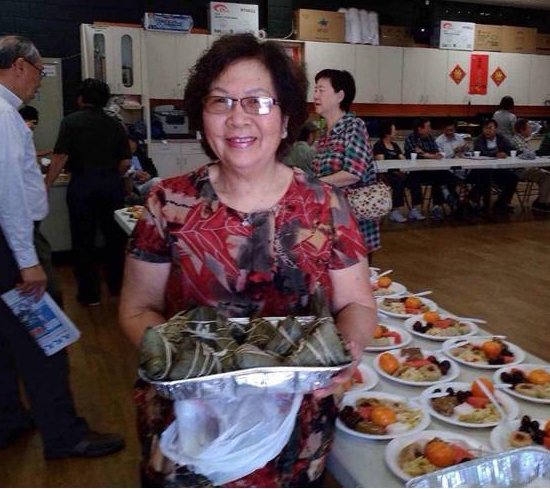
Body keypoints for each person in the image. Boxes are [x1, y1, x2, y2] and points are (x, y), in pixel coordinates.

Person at [119, 33, 377, 487]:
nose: (238, 117)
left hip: (295, 430)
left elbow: (356, 304)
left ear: (286, 117)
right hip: (192, 429)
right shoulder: (169, 202)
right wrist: (193, 370)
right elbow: (137, 308)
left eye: (258, 101)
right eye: (220, 101)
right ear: (201, 115)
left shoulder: (326, 205)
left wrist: (346, 353)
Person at [0, 35, 123, 459]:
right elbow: (7, 194)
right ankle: (64, 434)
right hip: (9, 241)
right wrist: (27, 260)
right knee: (43, 337)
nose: (39, 82)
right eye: (38, 72)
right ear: (19, 65)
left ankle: (4, 419)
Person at [45, 79, 132, 306]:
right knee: (114, 239)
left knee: (83, 241)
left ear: (81, 98)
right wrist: (110, 175)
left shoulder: (71, 121)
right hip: (111, 186)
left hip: (82, 186)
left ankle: (89, 295)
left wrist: (46, 184)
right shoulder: (116, 124)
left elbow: (60, 156)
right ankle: (116, 287)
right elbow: (125, 162)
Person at [312, 69, 380, 254]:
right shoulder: (324, 133)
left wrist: (313, 184)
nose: (315, 95)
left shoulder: (354, 126)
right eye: (315, 89)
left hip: (352, 223)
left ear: (340, 96)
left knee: (352, 269)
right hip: (329, 219)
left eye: (321, 90)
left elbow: (352, 174)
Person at [403, 117, 458, 220]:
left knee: (447, 175)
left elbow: (435, 152)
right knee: (425, 178)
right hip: (416, 171)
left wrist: (426, 153)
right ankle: (445, 197)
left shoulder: (430, 138)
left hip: (431, 170)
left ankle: (440, 205)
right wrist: (429, 155)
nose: (430, 129)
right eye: (428, 127)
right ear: (420, 129)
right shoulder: (410, 138)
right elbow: (416, 154)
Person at [373, 122, 426, 222]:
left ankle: (414, 209)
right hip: (385, 175)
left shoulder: (395, 145)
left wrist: (404, 168)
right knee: (398, 182)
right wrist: (396, 171)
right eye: (394, 130)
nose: (396, 131)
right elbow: (382, 165)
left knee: (415, 179)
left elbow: (403, 160)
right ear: (387, 132)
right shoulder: (379, 145)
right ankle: (394, 211)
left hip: (399, 173)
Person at [470, 119, 518, 213]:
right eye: (485, 128)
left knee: (513, 178)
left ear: (496, 129)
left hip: (498, 169)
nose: (487, 131)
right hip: (482, 170)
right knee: (485, 177)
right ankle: (480, 203)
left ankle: (501, 203)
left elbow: (511, 149)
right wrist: (496, 154)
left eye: (490, 128)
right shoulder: (479, 139)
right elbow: (482, 152)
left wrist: (506, 153)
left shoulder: (501, 138)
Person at [512, 118, 550, 213]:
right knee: (549, 177)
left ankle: (542, 200)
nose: (531, 130)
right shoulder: (517, 140)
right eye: (529, 127)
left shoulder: (523, 139)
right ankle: (541, 203)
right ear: (522, 130)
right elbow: (526, 155)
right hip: (520, 170)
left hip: (528, 167)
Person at [125, 135, 160, 202]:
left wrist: (148, 175)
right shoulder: (121, 160)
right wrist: (135, 175)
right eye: (129, 150)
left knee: (158, 181)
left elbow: (153, 170)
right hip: (132, 187)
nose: (131, 152)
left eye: (133, 150)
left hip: (143, 184)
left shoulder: (140, 156)